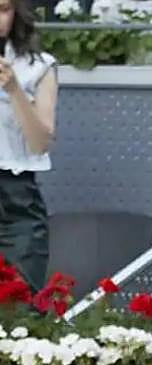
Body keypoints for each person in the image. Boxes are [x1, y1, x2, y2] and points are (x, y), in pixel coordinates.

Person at [0, 0, 56, 288]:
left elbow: (40, 143)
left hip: (16, 198)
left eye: (3, 9)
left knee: (19, 306)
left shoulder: (39, 67)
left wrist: (13, 90)